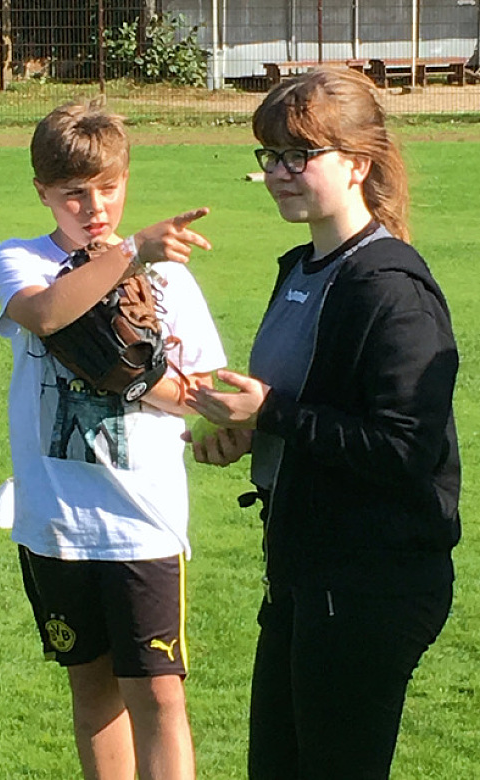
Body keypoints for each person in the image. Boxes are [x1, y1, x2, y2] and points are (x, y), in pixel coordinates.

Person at [185, 66, 461, 779]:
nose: (278, 173)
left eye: (299, 155)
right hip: (303, 570)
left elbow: (404, 448)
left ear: (357, 163)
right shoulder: (302, 269)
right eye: (271, 155)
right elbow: (316, 407)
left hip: (370, 583)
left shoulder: (389, 288)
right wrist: (249, 431)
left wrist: (273, 412)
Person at [0, 100, 226, 780]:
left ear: (126, 180)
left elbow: (200, 388)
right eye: (73, 194)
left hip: (141, 518)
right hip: (57, 517)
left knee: (158, 694)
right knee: (92, 691)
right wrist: (128, 256)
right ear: (42, 192)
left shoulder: (169, 275)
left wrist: (136, 376)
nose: (93, 207)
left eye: (108, 188)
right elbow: (43, 314)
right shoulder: (22, 258)